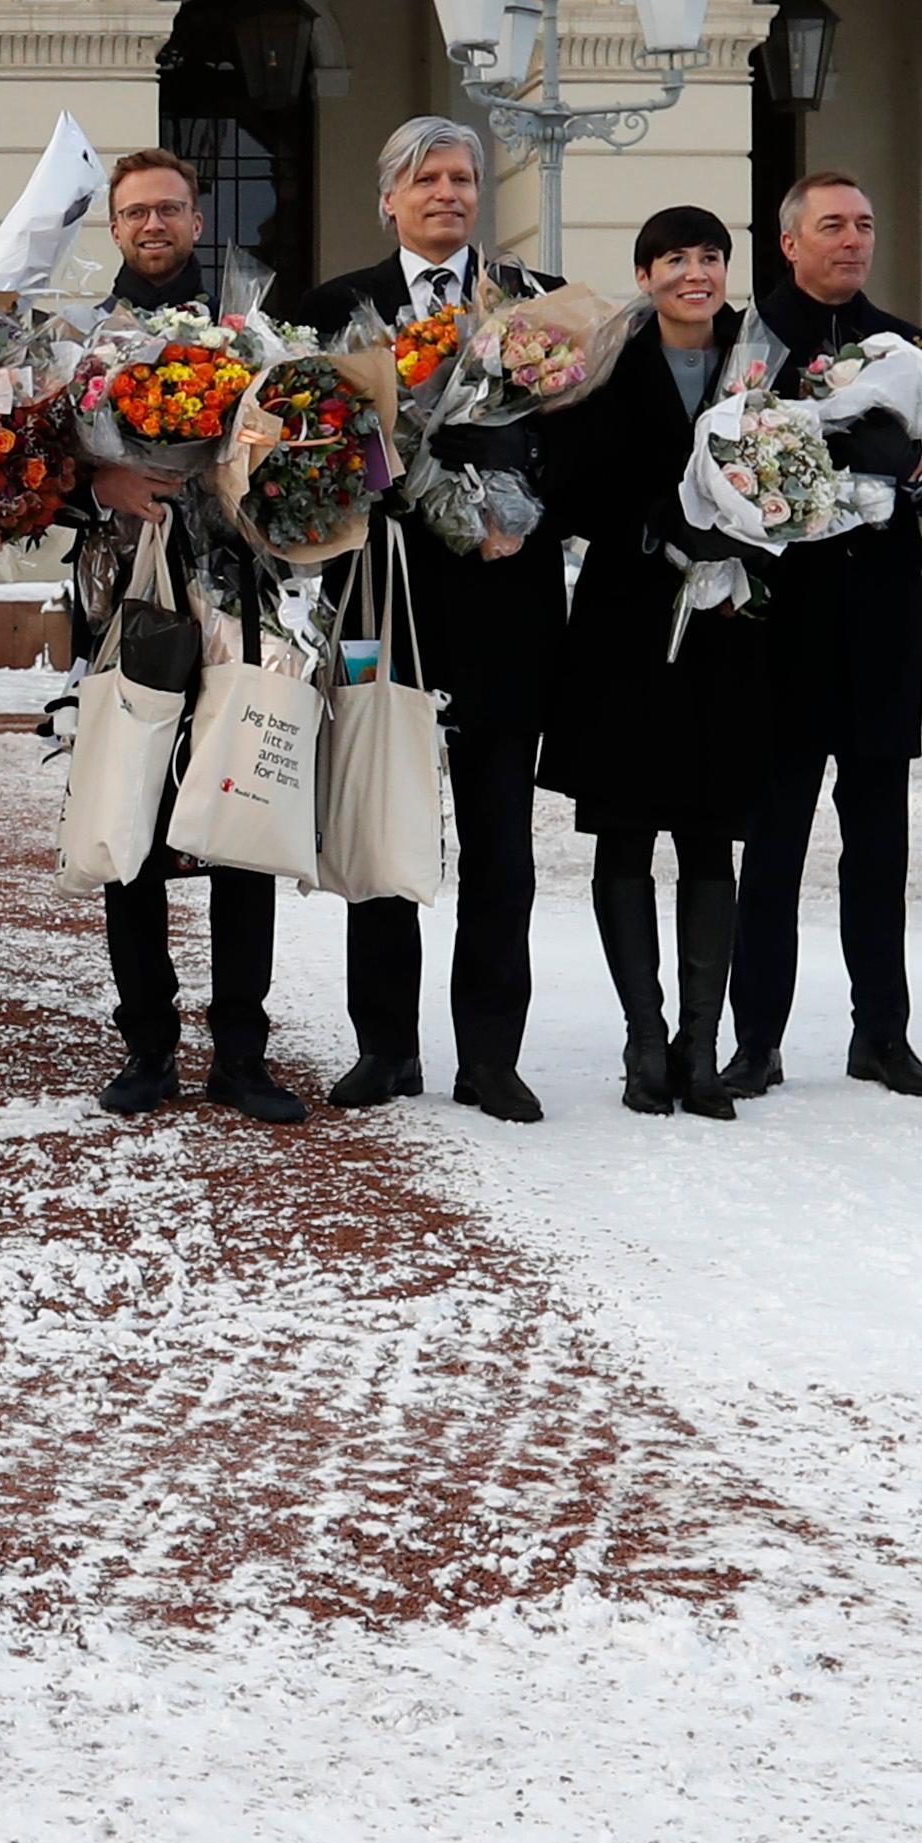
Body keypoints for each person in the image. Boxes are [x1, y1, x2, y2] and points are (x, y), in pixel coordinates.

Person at [298, 115, 553, 1122]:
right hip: (373, 605)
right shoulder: (332, 307)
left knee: (501, 841)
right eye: (426, 179)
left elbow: (569, 437)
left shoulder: (529, 304)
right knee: (377, 819)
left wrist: (522, 513)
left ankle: (491, 1055)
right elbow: (299, 449)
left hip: (506, 605)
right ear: (388, 199)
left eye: (462, 177)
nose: (448, 193)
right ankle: (385, 1048)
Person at [65, 147, 304, 1122]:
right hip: (127, 598)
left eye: (169, 208)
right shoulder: (81, 339)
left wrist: (252, 466)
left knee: (241, 823)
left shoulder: (251, 330)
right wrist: (99, 483)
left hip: (237, 600)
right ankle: (148, 1048)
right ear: (115, 228)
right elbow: (26, 469)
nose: (153, 225)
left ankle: (242, 1055)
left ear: (196, 220)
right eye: (136, 212)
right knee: (134, 824)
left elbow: (299, 440)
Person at [721, 171, 922, 1101]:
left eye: (864, 223)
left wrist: (902, 465)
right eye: (833, 225)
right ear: (790, 241)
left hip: (880, 623)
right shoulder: (747, 344)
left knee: (880, 845)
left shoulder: (907, 345)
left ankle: (882, 1035)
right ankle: (756, 1042)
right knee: (773, 844)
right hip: (779, 624)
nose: (853, 239)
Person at [529, 209, 771, 1118]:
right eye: (675, 258)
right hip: (626, 625)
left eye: (710, 257)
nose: (695, 273)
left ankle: (700, 1048)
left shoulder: (760, 362)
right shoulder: (601, 361)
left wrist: (752, 524)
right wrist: (651, 525)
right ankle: (643, 1040)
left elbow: (793, 468)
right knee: (626, 831)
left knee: (712, 833)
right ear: (645, 273)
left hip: (729, 626)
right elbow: (566, 480)